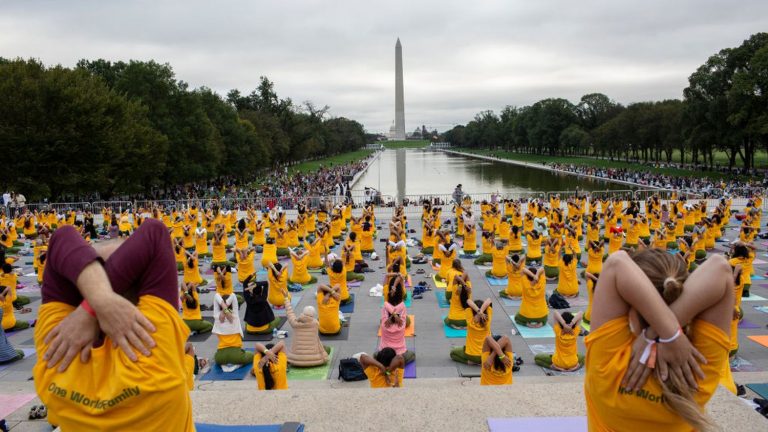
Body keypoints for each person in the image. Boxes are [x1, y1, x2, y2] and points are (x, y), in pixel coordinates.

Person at [32, 220, 195, 430]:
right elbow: (155, 233)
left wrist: (96, 297)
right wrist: (99, 302)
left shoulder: (54, 356)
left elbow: (62, 237)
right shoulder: (157, 352)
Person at [585, 249, 733, 431]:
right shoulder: (698, 368)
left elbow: (616, 262)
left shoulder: (607, 363)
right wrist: (669, 333)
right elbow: (720, 267)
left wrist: (664, 334)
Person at [284, 301, 330, 367]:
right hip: (316, 360)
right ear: (313, 315)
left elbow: (289, 313)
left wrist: (286, 300)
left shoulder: (295, 323)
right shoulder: (315, 323)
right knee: (327, 349)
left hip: (295, 361)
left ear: (303, 313)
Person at [212, 291, 252, 366]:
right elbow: (233, 295)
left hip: (220, 357)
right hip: (237, 356)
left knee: (215, 357)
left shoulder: (217, 316)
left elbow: (216, 295)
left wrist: (224, 309)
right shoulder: (234, 315)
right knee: (252, 355)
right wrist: (226, 309)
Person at [379, 281, 415, 364]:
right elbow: (401, 304)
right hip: (400, 354)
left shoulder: (384, 320)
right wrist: (395, 315)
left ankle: (388, 362)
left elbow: (385, 304)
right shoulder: (402, 318)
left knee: (376, 355)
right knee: (412, 355)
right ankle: (396, 363)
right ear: (400, 294)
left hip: (385, 354)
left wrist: (393, 314)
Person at [450, 299, 492, 365]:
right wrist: (481, 311)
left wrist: (478, 312)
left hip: (471, 355)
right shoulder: (488, 320)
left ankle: (469, 362)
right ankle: (479, 361)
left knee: (452, 353)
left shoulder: (470, 320)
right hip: (485, 356)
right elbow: (489, 300)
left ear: (472, 311)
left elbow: (468, 301)